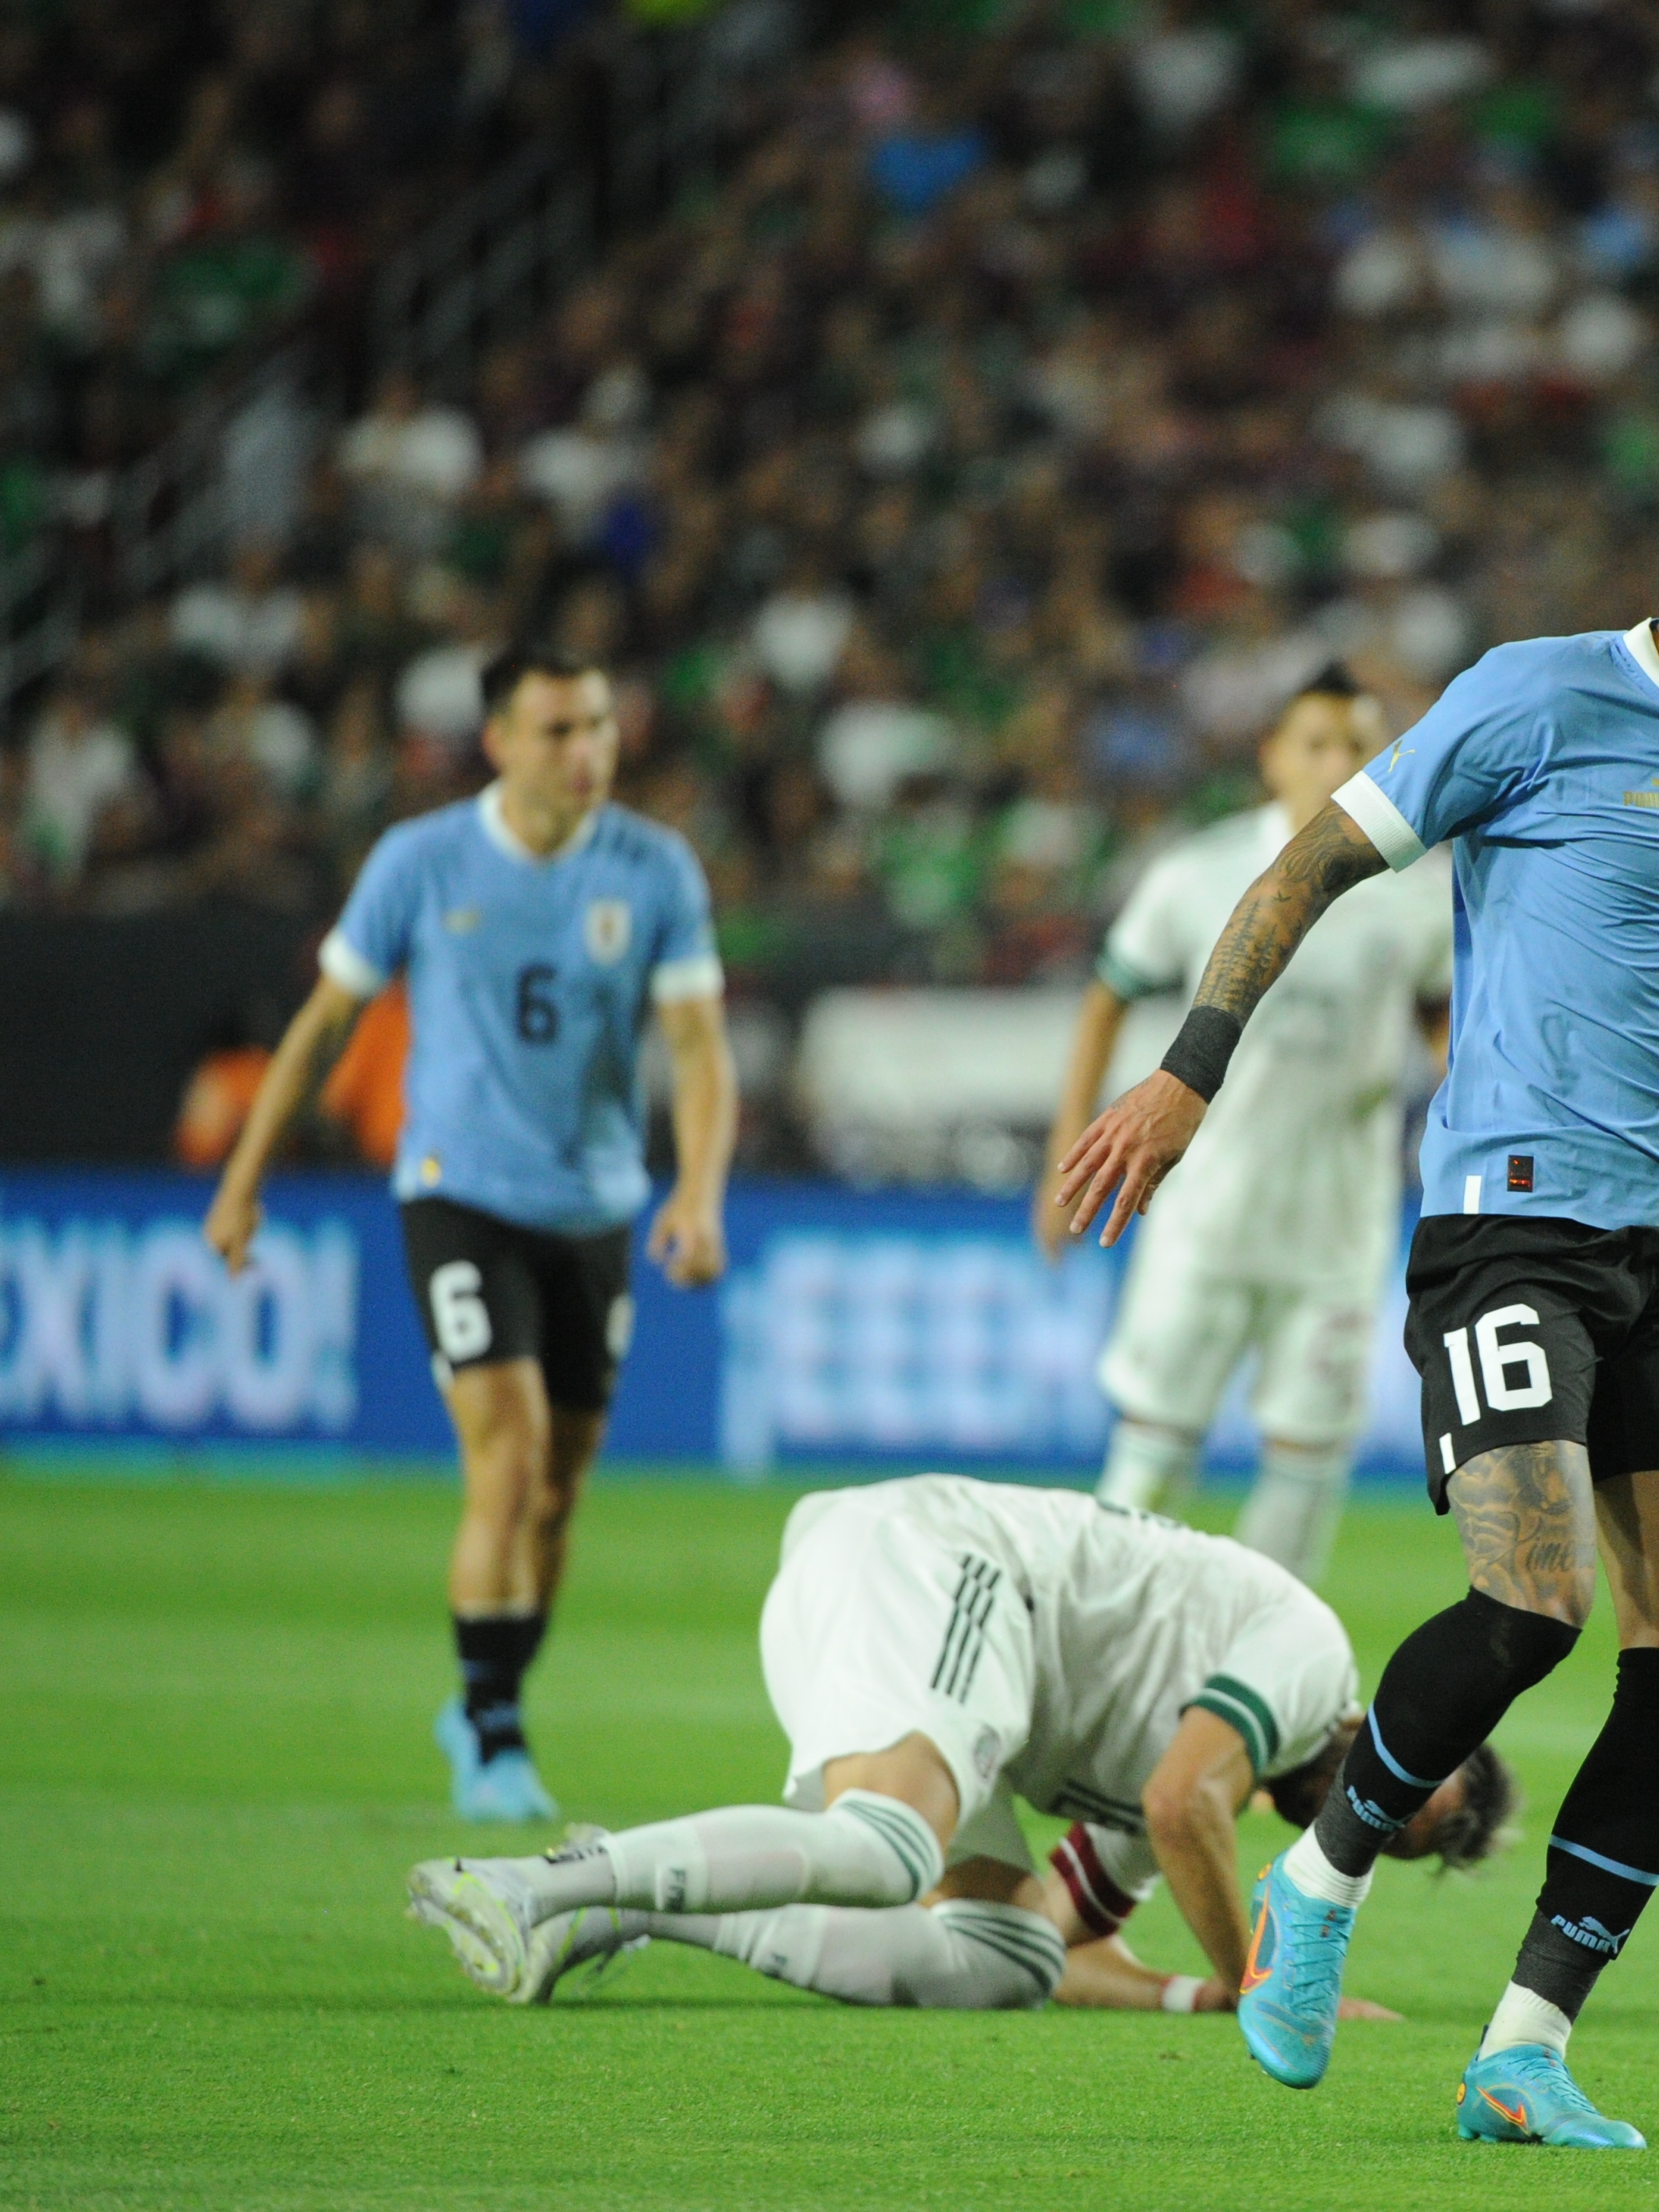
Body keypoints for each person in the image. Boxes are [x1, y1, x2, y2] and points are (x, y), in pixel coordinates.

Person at [1058, 422, 1659, 2148]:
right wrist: (1187, 1068)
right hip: (1514, 1224)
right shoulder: (1531, 701)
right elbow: (1305, 868)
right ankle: (1324, 1881)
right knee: (1531, 1604)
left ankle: (1523, 2048)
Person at [203, 646, 737, 1821]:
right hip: (458, 1193)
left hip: (595, 1205)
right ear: (497, 741)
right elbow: (323, 1025)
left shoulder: (651, 868)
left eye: (598, 724)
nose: (586, 750)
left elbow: (699, 1052)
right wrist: (245, 1177)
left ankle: (488, 1690)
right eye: (557, 730)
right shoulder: (423, 861)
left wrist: (697, 1195)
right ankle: (494, 1734)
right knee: (507, 1451)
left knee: (559, 1491)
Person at [407, 1473, 1513, 2010]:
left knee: (1007, 1956)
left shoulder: (1223, 1776)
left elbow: (1077, 1945)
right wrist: (1272, 1990)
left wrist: (1204, 1996)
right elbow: (1182, 1807)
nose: (1364, 1819)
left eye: (1390, 1840)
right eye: (1398, 1785)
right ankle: (520, 1882)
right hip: (951, 1570)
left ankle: (623, 1901)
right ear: (1393, 1727)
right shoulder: (1307, 1662)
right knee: (891, 1851)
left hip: (923, 1629)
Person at [1036, 665, 1452, 1583]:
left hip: (1339, 1227)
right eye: (1317, 744)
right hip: (1200, 1218)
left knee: (1305, 1474)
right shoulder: (1197, 874)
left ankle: (1247, 1682)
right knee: (1149, 1460)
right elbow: (1106, 997)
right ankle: (1091, 1650)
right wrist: (1064, 1152)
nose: (1338, 763)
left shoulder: (1418, 890)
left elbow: (1440, 1018)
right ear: (1270, 757)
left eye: (1359, 745)